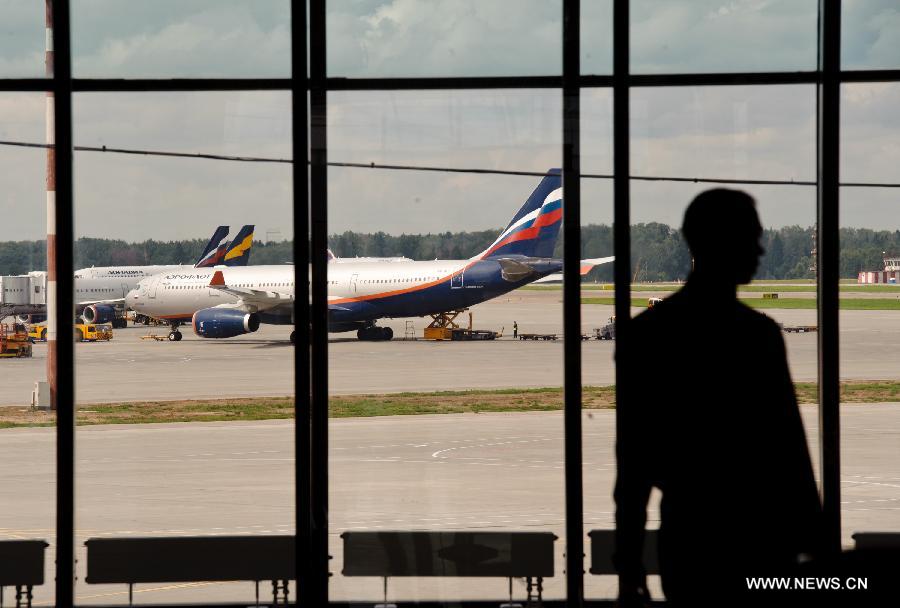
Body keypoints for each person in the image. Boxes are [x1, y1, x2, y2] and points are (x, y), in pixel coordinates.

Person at [614, 189, 823, 607]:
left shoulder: (647, 335)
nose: (761, 249)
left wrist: (630, 567)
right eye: (753, 237)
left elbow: (633, 467)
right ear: (722, 242)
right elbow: (790, 455)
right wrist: (818, 551)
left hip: (688, 544)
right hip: (759, 543)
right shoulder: (757, 336)